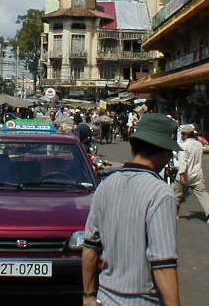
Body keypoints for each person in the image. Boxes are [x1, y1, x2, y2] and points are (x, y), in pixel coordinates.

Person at [82, 113, 181, 306]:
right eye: (169, 152)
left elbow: (90, 247)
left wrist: (88, 295)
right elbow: (163, 264)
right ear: (162, 152)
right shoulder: (161, 193)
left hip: (104, 298)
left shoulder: (106, 185)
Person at [175, 124, 209, 225]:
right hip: (197, 174)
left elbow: (182, 162)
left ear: (186, 135)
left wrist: (181, 175)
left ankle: (173, 213)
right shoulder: (198, 145)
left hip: (185, 175)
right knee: (203, 194)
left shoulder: (183, 146)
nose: (181, 135)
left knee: (176, 196)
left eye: (182, 134)